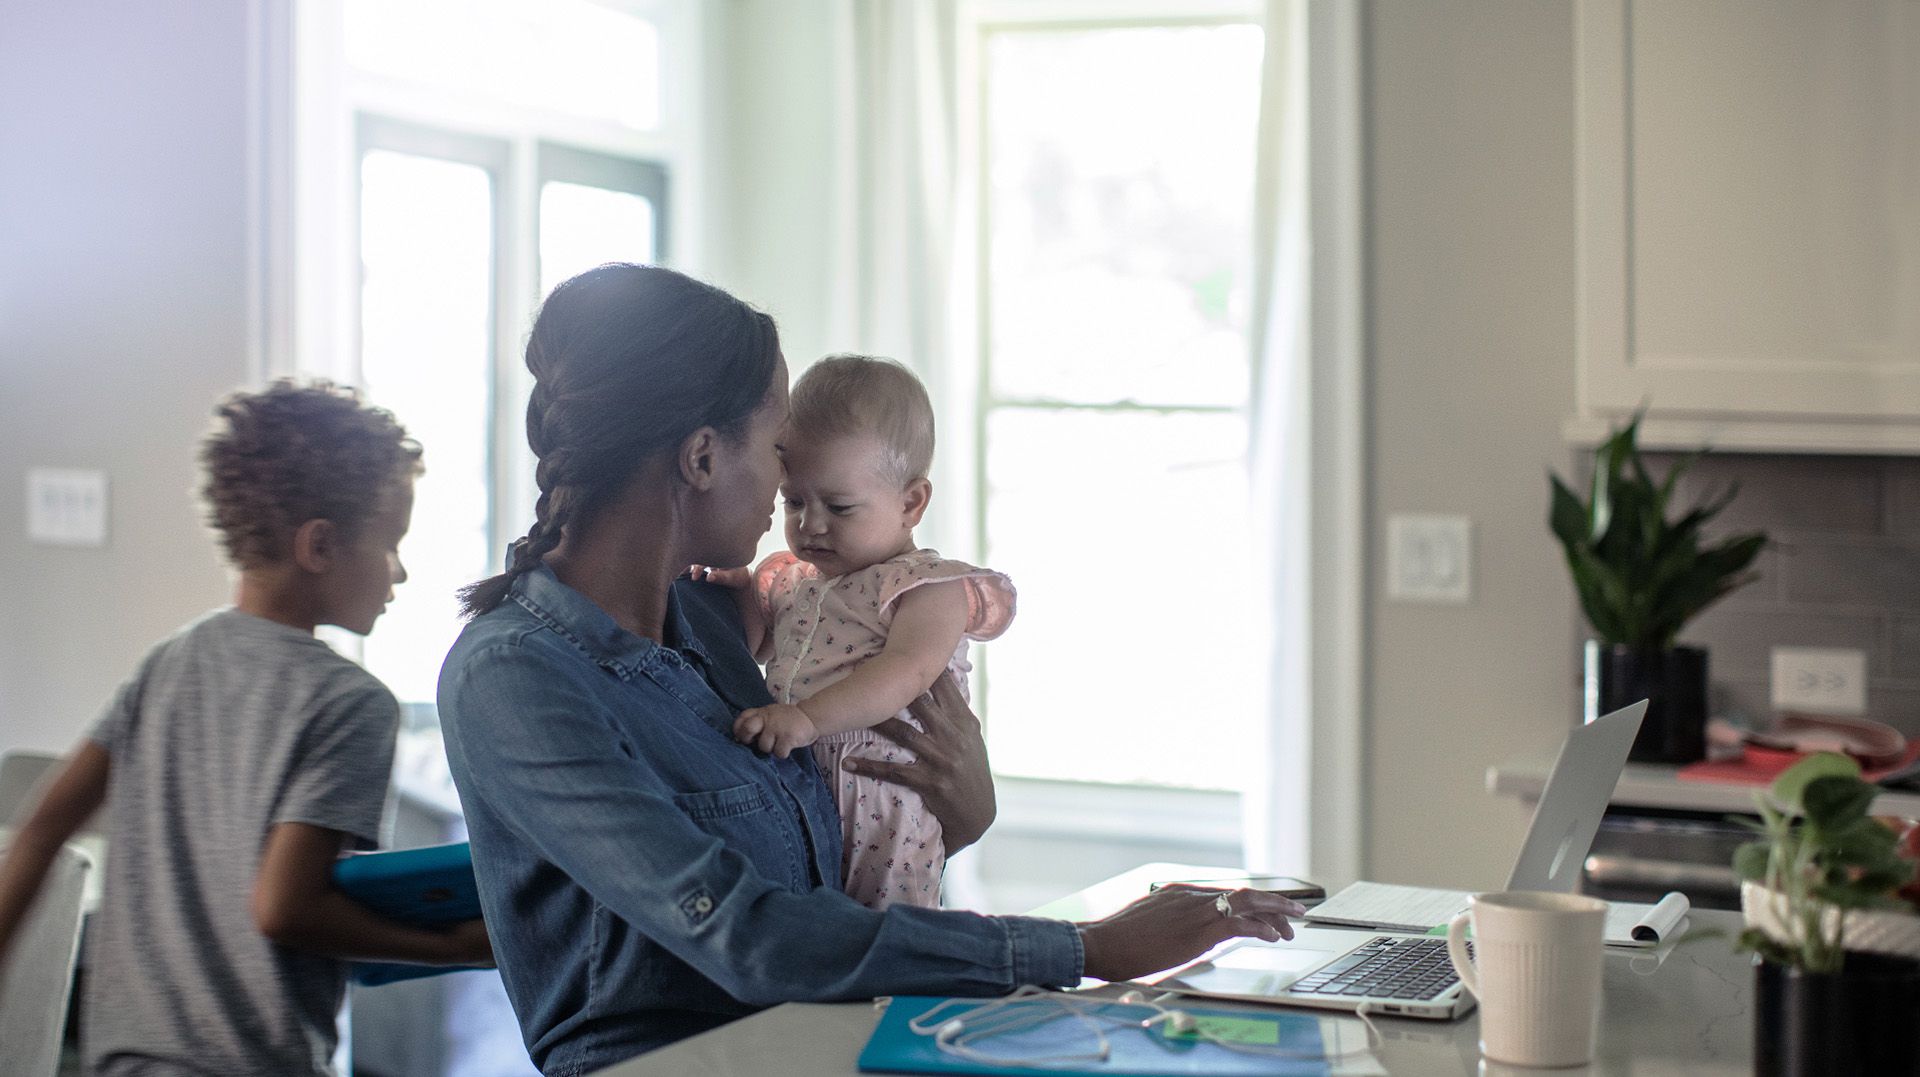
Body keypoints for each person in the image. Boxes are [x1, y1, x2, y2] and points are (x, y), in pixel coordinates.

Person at [437, 263, 1303, 1074]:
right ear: (702, 457)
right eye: (780, 450)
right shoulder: (518, 676)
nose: (796, 482)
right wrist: (1087, 947)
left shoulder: (722, 624)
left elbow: (822, 865)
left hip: (836, 1036)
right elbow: (752, 934)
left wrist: (964, 810)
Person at [0, 381, 492, 1076]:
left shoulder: (170, 661)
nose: (400, 571)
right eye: (391, 543)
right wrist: (458, 946)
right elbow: (285, 908)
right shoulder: (350, 701)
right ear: (319, 544)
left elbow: (43, 825)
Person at [704, 354, 1014, 911]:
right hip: (798, 775)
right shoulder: (796, 581)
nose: (810, 524)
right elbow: (748, 648)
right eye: (794, 502)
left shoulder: (926, 585)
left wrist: (806, 719)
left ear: (911, 502)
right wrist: (734, 588)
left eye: (839, 507)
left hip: (886, 790)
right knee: (806, 927)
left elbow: (906, 672)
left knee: (886, 933)